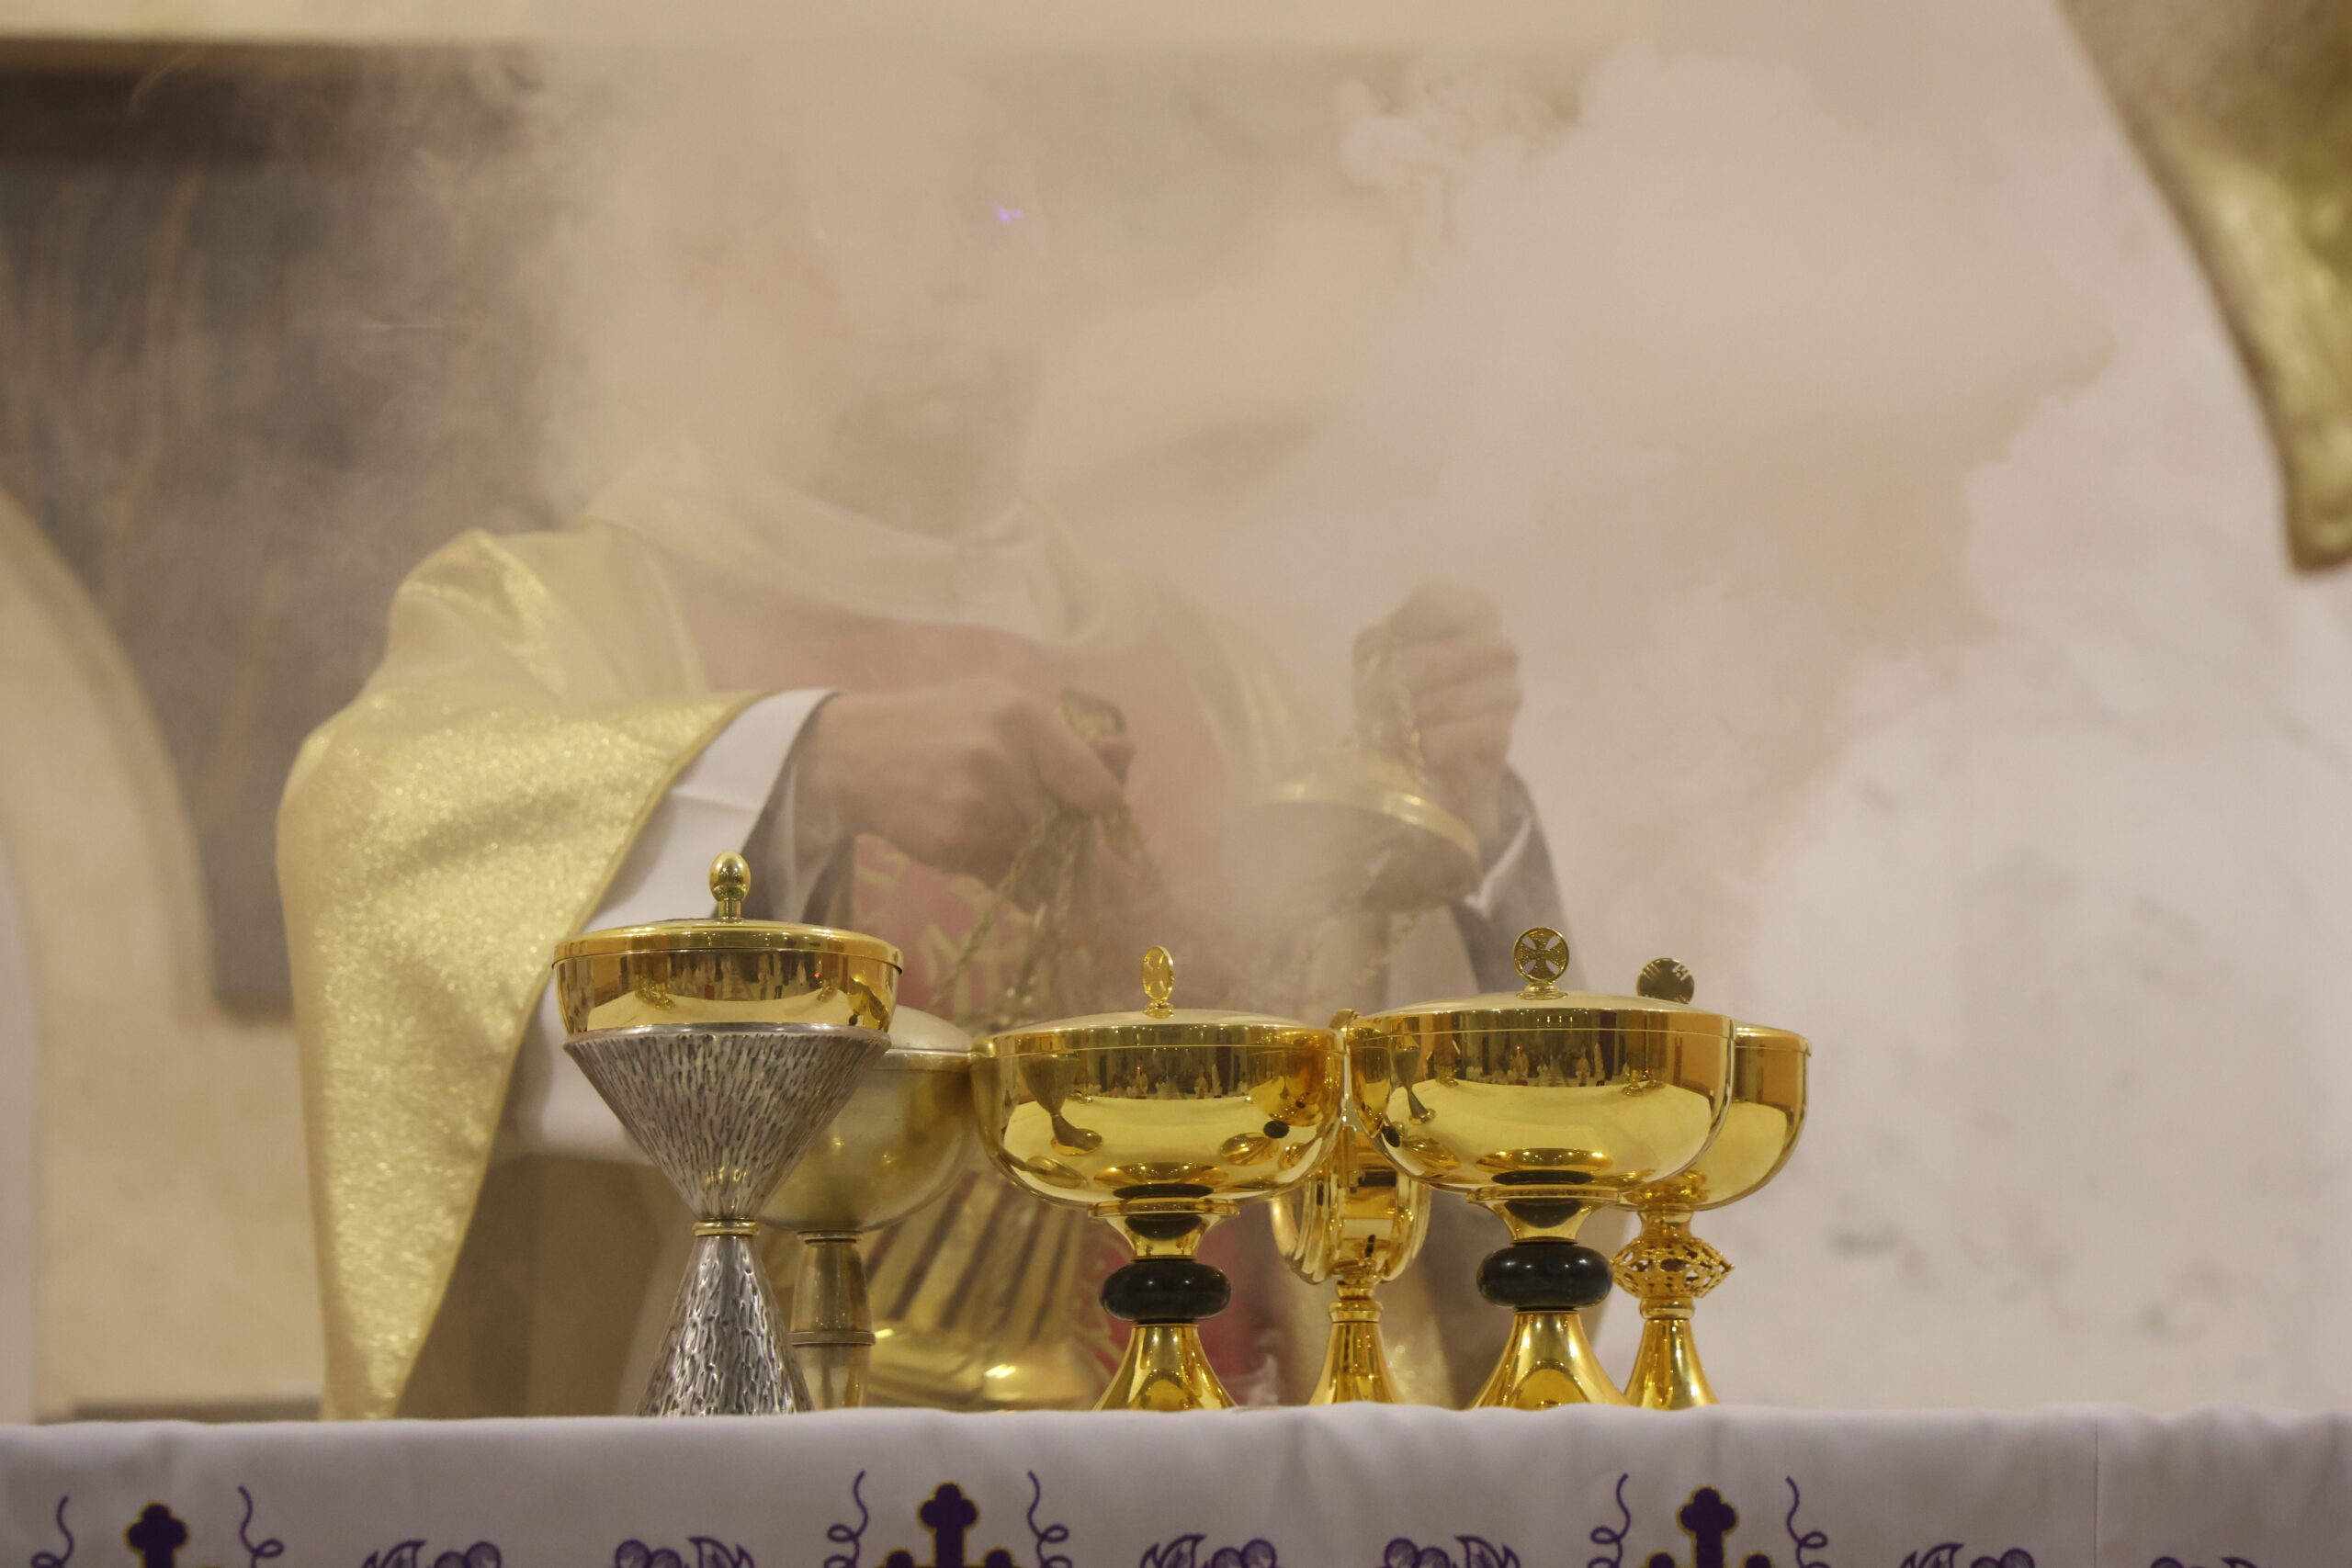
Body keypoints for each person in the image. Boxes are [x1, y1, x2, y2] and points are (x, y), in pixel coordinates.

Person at [278, 62, 1569, 1419]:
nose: (951, 279)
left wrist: (1432, 828)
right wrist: (802, 769)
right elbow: (371, 840)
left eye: (994, 220)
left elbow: (1366, 1151)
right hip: (751, 1485)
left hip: (1204, 1469)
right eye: (870, 219)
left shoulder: (1212, 675)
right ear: (708, 288)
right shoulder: (554, 617)